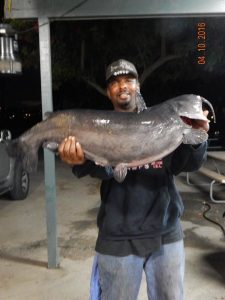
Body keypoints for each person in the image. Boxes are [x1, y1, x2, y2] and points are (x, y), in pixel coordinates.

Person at [58, 59, 209, 300]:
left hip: (165, 232)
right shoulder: (98, 128)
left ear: (138, 85)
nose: (122, 86)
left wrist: (199, 137)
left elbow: (186, 163)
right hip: (117, 236)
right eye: (115, 83)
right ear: (109, 92)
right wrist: (78, 159)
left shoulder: (163, 121)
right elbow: (97, 169)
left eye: (128, 80)